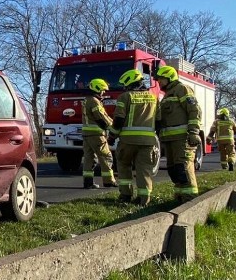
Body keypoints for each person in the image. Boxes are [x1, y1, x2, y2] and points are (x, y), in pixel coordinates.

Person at [153, 65, 201, 202]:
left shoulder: (182, 89)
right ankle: (179, 197)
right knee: (173, 170)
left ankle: (190, 199)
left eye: (161, 79)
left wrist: (193, 132)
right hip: (169, 140)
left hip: (182, 138)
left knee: (183, 168)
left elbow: (194, 111)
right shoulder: (167, 94)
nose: (159, 82)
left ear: (169, 77)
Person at [112, 69, 158, 206]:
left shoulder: (125, 97)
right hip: (148, 142)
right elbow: (159, 120)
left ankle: (126, 195)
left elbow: (119, 119)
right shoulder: (154, 97)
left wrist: (112, 135)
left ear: (130, 83)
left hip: (127, 141)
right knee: (144, 169)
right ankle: (144, 199)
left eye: (125, 85)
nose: (124, 88)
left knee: (124, 166)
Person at [81, 78, 118, 189]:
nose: (103, 93)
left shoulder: (86, 99)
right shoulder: (94, 101)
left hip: (87, 135)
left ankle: (88, 182)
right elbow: (101, 117)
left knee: (89, 158)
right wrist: (113, 127)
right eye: (102, 90)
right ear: (97, 89)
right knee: (106, 156)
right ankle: (109, 181)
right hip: (97, 135)